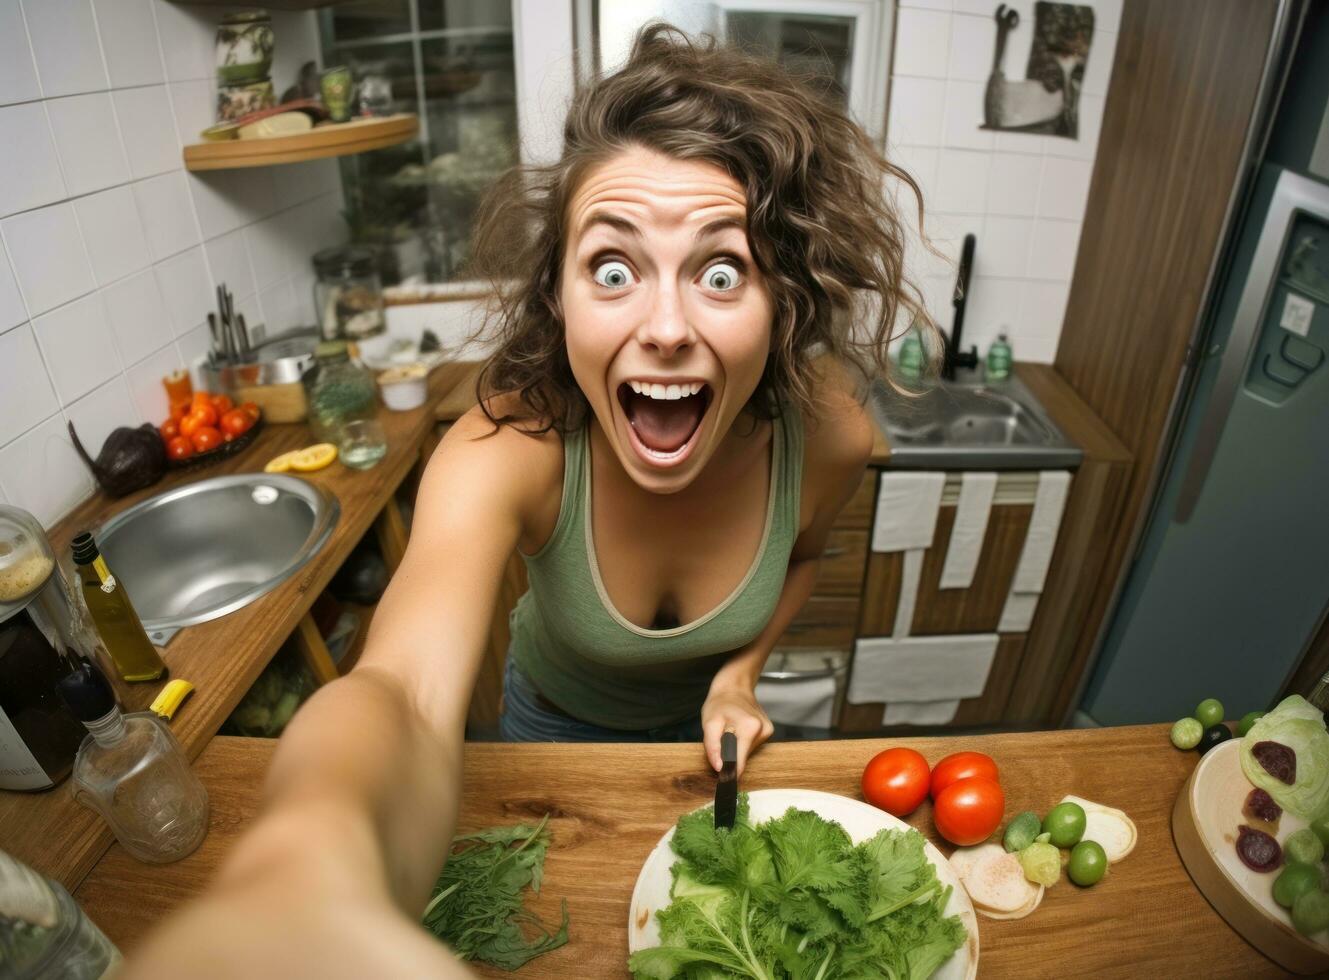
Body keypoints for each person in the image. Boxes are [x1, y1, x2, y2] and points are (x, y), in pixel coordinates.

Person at [118, 23, 936, 978]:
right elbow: (407, 694)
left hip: (722, 758)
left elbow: (801, 557)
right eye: (613, 268)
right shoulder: (503, 450)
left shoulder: (832, 436)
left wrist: (738, 676)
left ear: (781, 301)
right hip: (547, 739)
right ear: (558, 293)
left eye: (722, 271)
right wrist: (306, 857)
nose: (665, 327)